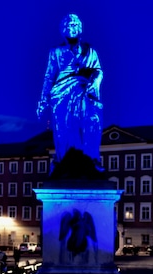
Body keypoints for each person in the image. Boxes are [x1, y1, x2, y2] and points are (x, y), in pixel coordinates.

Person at [37, 13, 104, 176]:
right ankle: (63, 160)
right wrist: (43, 99)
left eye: (74, 25)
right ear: (62, 30)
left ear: (80, 29)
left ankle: (90, 159)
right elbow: (49, 76)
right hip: (61, 95)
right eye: (67, 26)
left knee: (90, 123)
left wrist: (95, 81)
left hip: (84, 91)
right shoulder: (56, 52)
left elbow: (99, 71)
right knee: (63, 129)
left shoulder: (90, 51)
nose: (71, 28)